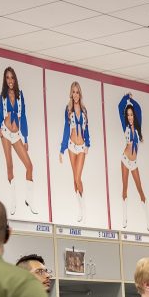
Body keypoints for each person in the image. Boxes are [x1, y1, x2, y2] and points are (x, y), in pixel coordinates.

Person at [0, 66, 38, 216]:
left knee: (29, 166)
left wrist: (25, 137)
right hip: (6, 133)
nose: (10, 81)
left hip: (17, 134)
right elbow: (0, 112)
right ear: (5, 80)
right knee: (10, 165)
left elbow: (23, 116)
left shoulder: (20, 95)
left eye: (12, 77)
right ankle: (13, 201)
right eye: (7, 78)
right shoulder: (3, 95)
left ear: (15, 79)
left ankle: (29, 199)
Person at [118, 93, 149, 230]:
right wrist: (125, 97)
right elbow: (120, 107)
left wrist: (131, 100)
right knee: (124, 188)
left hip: (134, 162)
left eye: (131, 114)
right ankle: (125, 218)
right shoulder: (125, 125)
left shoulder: (138, 127)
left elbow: (139, 109)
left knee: (140, 189)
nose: (130, 117)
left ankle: (148, 220)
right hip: (125, 160)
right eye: (128, 115)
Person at [58, 81, 90, 222]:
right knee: (74, 178)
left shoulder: (84, 110)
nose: (75, 94)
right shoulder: (68, 109)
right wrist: (62, 148)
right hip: (71, 146)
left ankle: (83, 208)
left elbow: (86, 129)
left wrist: (87, 143)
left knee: (78, 177)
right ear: (71, 93)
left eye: (77, 92)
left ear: (80, 93)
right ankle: (80, 208)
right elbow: (66, 129)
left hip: (81, 146)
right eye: (73, 92)